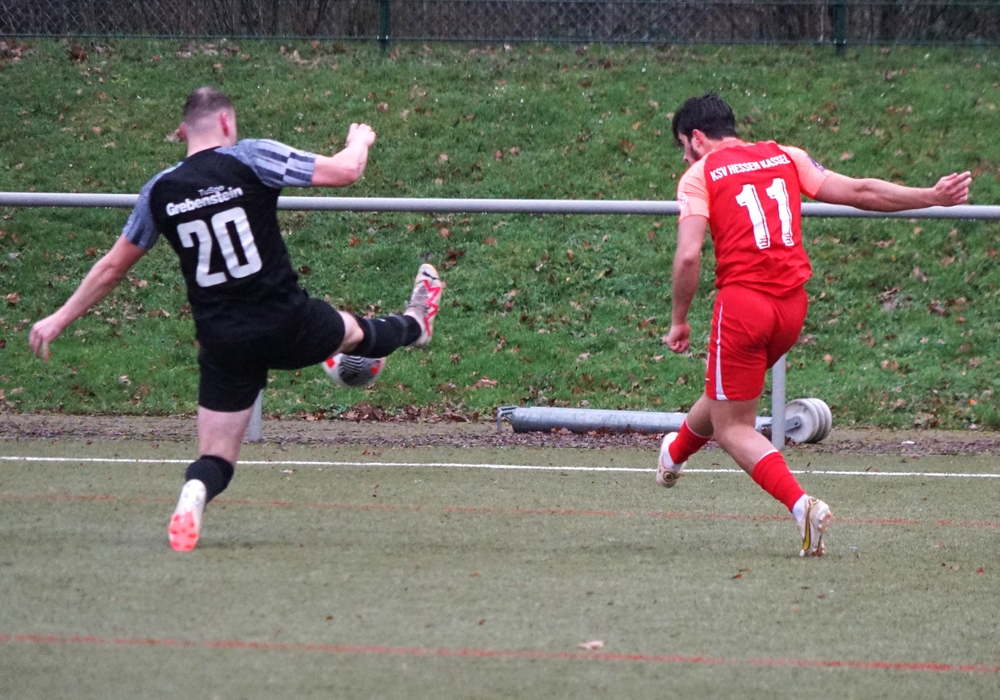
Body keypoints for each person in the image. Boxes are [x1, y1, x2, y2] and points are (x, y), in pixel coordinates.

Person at [29, 87, 443, 552]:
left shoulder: (160, 190)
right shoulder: (251, 157)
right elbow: (346, 170)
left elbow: (111, 268)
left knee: (216, 458)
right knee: (355, 332)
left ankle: (194, 492)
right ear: (226, 123)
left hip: (223, 341)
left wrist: (58, 319)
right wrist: (359, 140)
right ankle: (417, 322)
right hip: (286, 319)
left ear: (182, 131)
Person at [658, 92, 970, 556]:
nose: (684, 157)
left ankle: (801, 505)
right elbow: (861, 192)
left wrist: (679, 320)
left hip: (744, 306)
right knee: (728, 394)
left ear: (697, 138)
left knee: (733, 427)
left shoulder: (699, 175)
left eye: (683, 147)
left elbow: (688, 255)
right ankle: (674, 453)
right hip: (792, 307)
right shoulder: (786, 155)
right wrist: (932, 196)